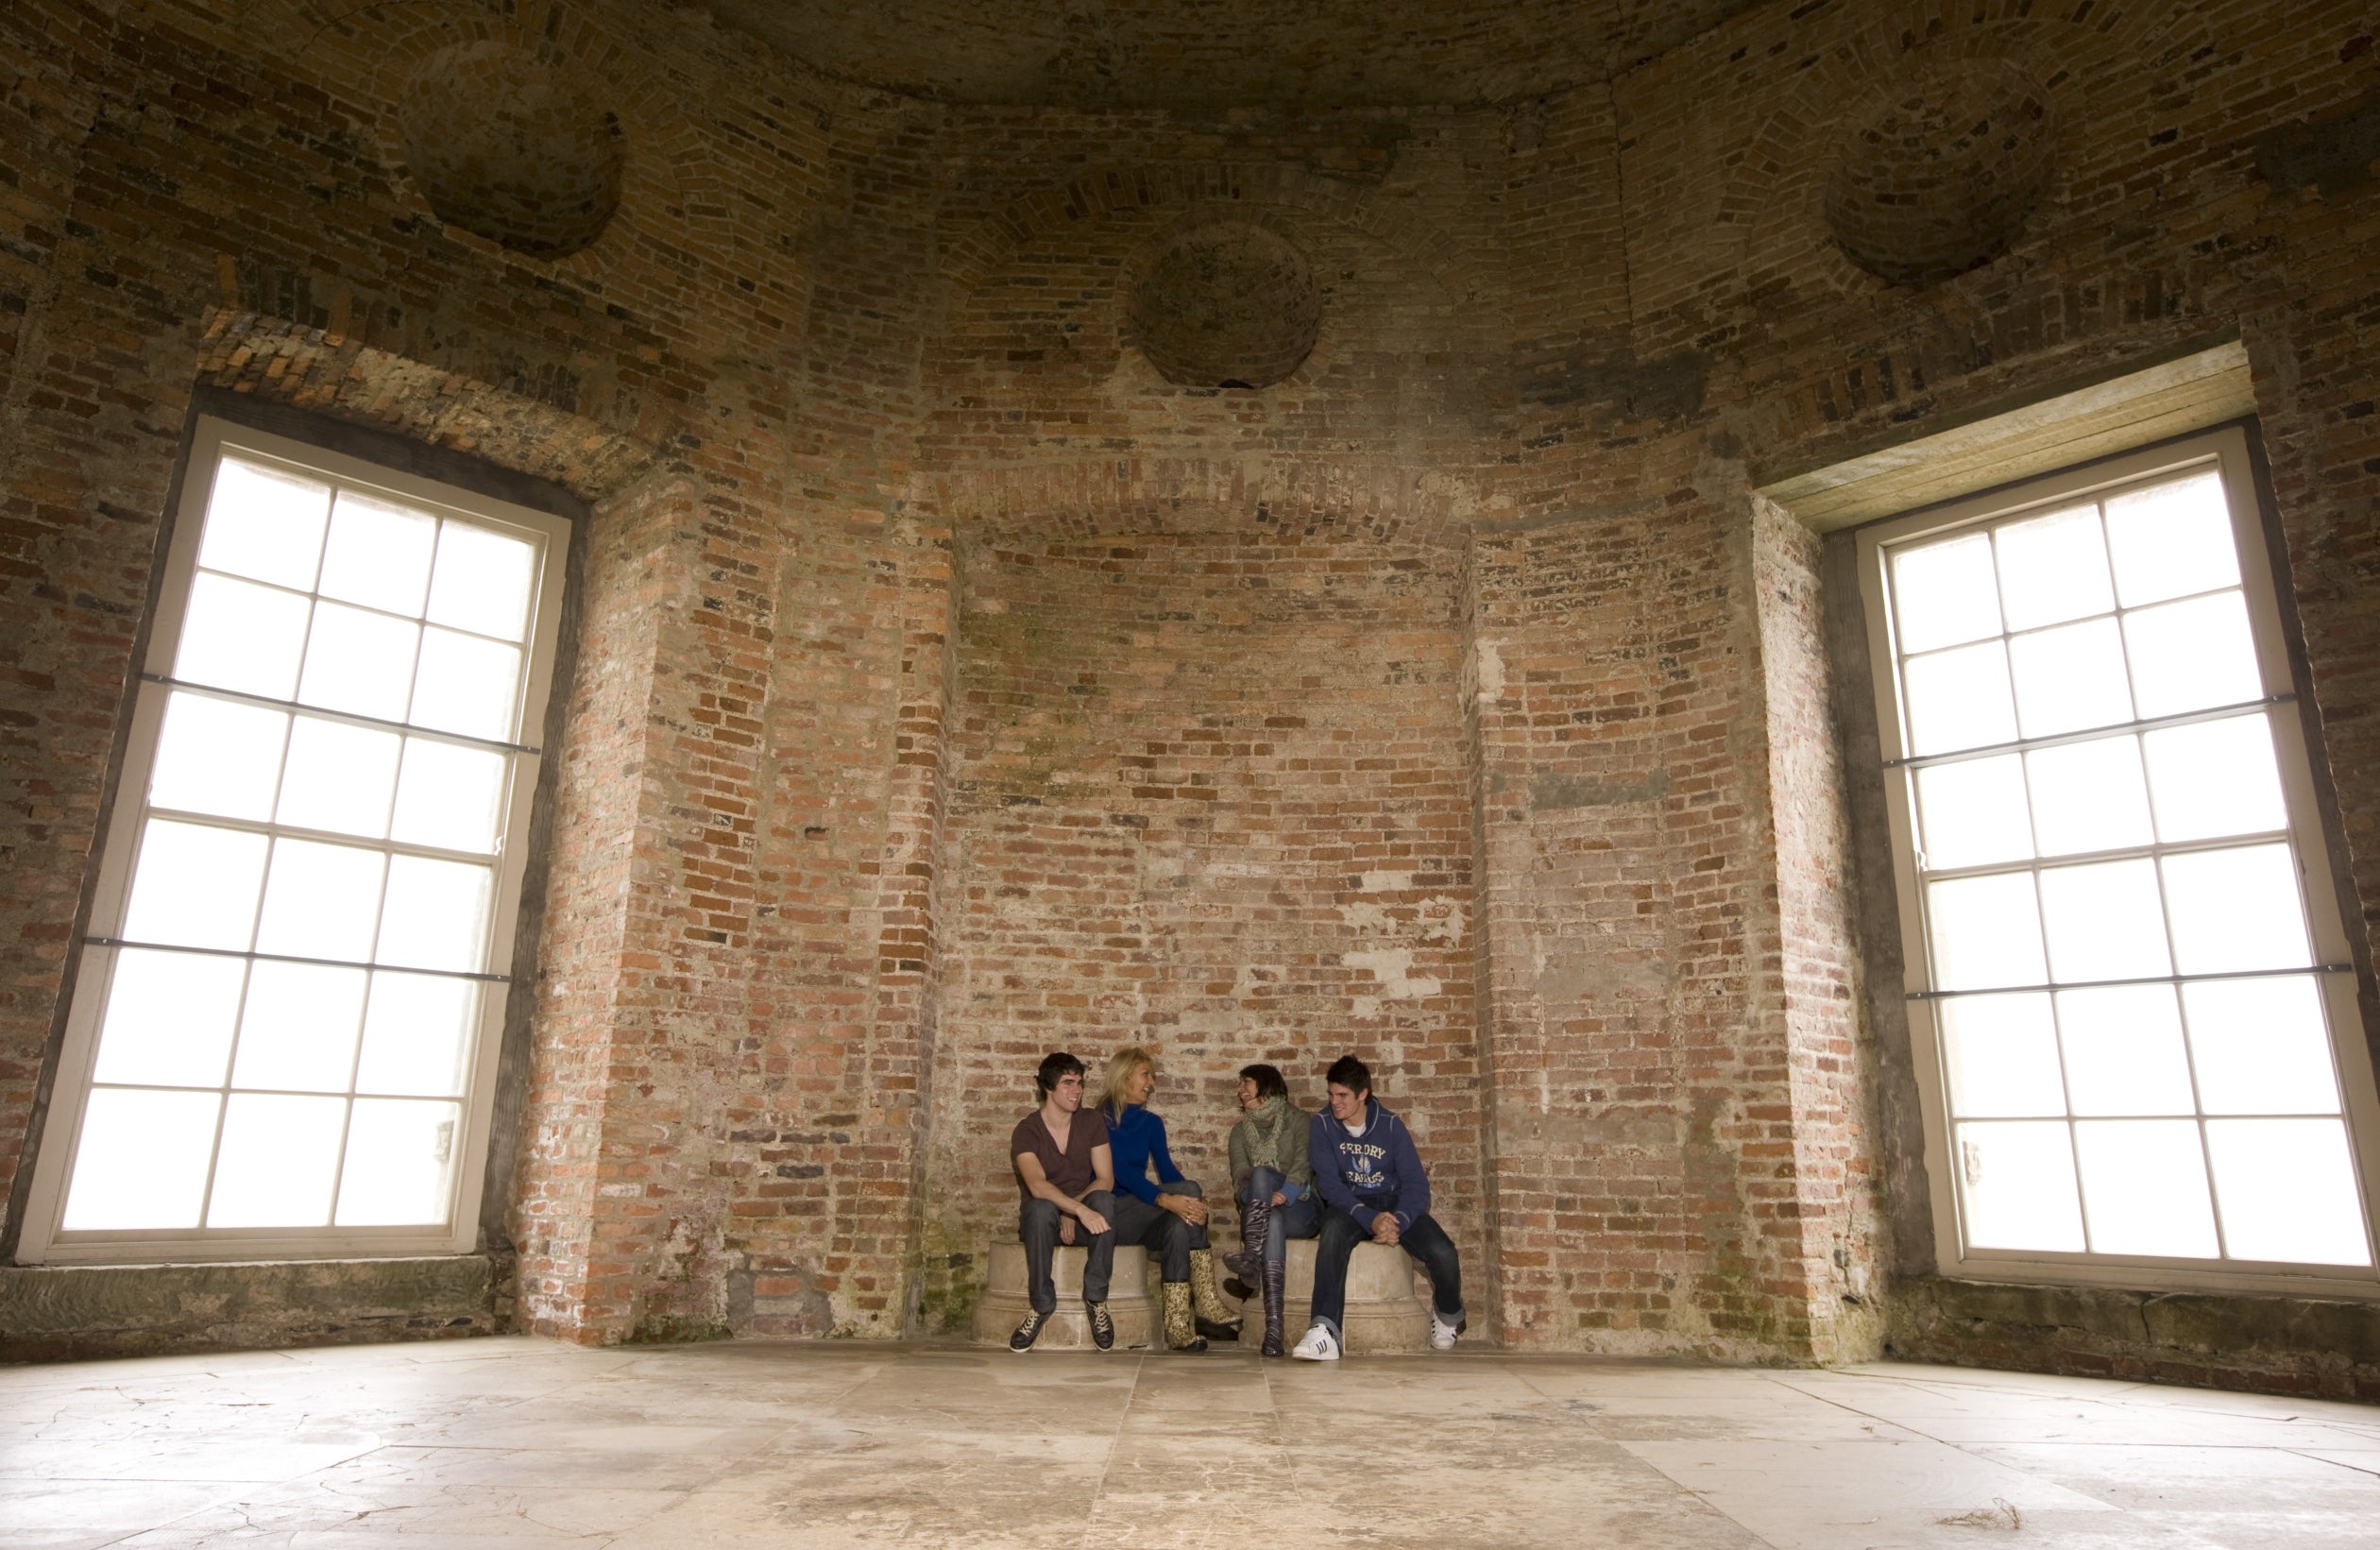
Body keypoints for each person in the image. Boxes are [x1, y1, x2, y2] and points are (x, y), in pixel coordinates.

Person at [1290, 1054, 1465, 1361]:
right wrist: (1369, 1219)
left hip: (1393, 1202)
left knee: (1444, 1252)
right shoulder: (1322, 1125)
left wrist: (1396, 1220)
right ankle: (1325, 1330)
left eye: (1342, 1095)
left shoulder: (1391, 1126)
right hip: (1349, 1204)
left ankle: (1449, 1314)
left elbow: (1416, 1185)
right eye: (1331, 1094)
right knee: (1331, 1235)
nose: (1335, 1102)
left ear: (1362, 1095)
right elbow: (1329, 1185)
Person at [1096, 1047, 1240, 1352]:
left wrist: (1190, 1201)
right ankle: (1205, 1300)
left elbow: (1168, 1172)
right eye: (1145, 1074)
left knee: (1179, 1224)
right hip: (1110, 1213)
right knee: (1186, 1195)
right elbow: (1118, 1172)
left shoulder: (1151, 1123)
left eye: (1152, 1075)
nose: (1151, 1082)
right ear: (1124, 1077)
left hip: (1143, 1213)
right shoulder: (1098, 1120)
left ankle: (1177, 1327)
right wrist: (1165, 1200)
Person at [1008, 1050, 1117, 1354]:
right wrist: (1076, 1209)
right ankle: (1041, 1304)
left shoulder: (1091, 1121)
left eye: (1080, 1083)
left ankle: (1096, 1299)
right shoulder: (1027, 1130)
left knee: (1105, 1201)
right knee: (1041, 1207)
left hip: (1082, 1221)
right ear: (1048, 1088)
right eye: (1068, 1083)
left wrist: (1075, 1212)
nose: (1077, 1091)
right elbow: (1036, 1184)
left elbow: (1105, 1178)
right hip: (1043, 1223)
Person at [1221, 1063, 1318, 1356]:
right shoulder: (1239, 1133)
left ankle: (1251, 1258)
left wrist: (1286, 1192)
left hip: (1303, 1207)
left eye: (1246, 1083)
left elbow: (1304, 1163)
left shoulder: (1300, 1120)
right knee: (1270, 1215)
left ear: (1265, 1085)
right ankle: (1274, 1329)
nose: (1240, 1090)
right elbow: (1241, 1182)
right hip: (1263, 1210)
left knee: (1261, 1174)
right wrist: (1263, 1197)